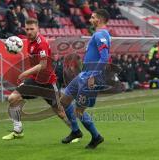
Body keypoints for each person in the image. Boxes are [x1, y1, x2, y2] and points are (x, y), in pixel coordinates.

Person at [2, 18, 70, 140]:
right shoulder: (29, 41)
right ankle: (18, 131)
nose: (29, 31)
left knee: (59, 112)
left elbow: (43, 65)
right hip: (34, 81)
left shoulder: (41, 42)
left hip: (48, 82)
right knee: (12, 98)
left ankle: (76, 132)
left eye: (32, 29)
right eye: (27, 29)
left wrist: (24, 73)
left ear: (37, 28)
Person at [60, 9, 111, 149]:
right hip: (84, 75)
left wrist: (93, 75)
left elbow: (105, 57)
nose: (90, 19)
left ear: (99, 20)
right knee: (64, 100)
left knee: (79, 111)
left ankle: (96, 137)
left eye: (92, 17)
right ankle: (76, 131)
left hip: (92, 77)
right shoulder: (97, 34)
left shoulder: (101, 34)